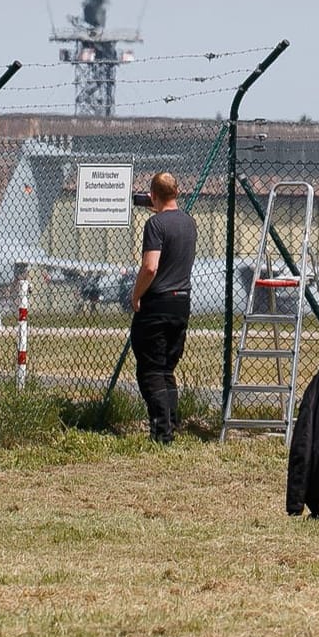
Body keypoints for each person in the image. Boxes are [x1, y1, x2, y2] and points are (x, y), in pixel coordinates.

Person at [129, 171, 196, 444]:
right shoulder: (190, 223)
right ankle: (172, 422)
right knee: (166, 368)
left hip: (157, 301)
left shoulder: (155, 225)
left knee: (150, 370)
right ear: (177, 193)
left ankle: (161, 432)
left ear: (153, 195)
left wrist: (136, 295)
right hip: (182, 302)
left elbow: (150, 266)